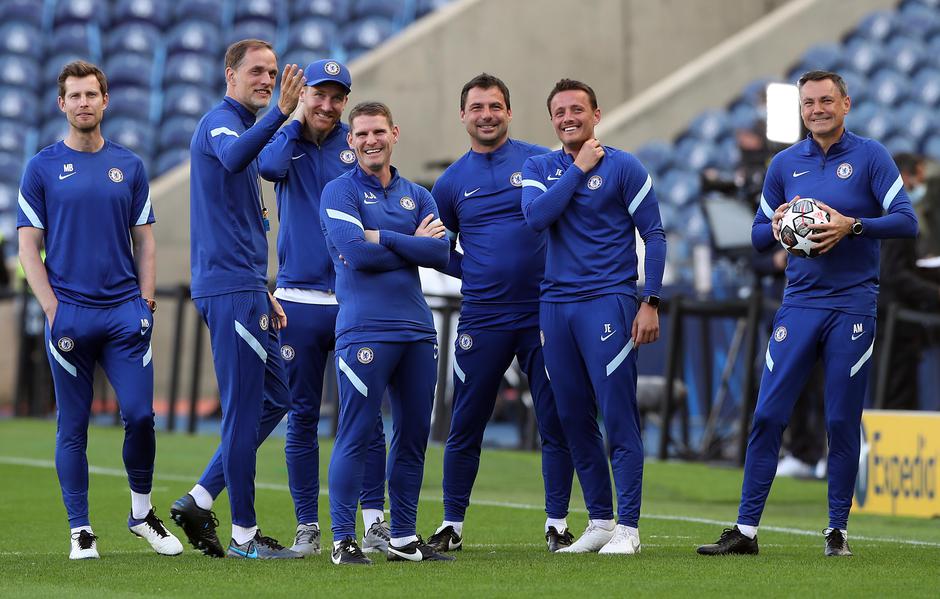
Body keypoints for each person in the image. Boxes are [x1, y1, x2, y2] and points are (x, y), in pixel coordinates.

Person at [697, 70, 918, 557]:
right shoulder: (784, 164)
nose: (817, 109)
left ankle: (837, 532)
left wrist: (851, 226)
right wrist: (779, 222)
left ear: (845, 104)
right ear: (801, 110)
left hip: (852, 305)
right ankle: (745, 532)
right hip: (799, 304)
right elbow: (757, 236)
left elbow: (907, 221)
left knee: (841, 419)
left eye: (826, 101)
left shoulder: (871, 157)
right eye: (808, 103)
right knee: (767, 414)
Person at [17, 60, 182, 559]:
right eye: (75, 95)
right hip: (70, 315)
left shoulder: (129, 166)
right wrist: (52, 309)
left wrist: (146, 302)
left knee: (141, 416)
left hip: (123, 314)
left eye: (91, 94)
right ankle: (80, 530)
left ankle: (141, 514)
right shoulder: (41, 167)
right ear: (61, 104)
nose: (84, 102)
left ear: (105, 101)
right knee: (73, 426)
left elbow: (145, 241)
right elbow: (28, 247)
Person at [425, 73, 575, 553]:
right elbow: (436, 247)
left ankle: (557, 523)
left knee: (556, 419)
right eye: (477, 107)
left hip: (543, 313)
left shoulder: (541, 162)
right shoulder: (450, 182)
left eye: (495, 106)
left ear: (509, 112)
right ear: (463, 115)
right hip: (483, 317)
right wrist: (472, 271)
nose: (486, 115)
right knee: (466, 422)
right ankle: (452, 524)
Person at [168, 39, 305, 560]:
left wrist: (261, 288)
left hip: (245, 288)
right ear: (230, 74)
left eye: (273, 71)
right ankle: (245, 536)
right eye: (257, 71)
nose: (267, 79)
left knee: (277, 398)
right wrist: (282, 114)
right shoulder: (220, 124)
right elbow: (232, 156)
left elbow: (239, 221)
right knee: (243, 413)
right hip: (229, 289)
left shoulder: (245, 128)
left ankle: (201, 498)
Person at [521, 79, 667, 555]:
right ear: (551, 119)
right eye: (560, 112)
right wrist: (579, 168)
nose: (569, 118)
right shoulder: (539, 167)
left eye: (577, 109)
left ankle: (629, 528)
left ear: (596, 115)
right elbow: (536, 217)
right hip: (555, 307)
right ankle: (601, 521)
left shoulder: (625, 166)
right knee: (572, 417)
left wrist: (650, 300)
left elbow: (655, 235)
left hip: (608, 301)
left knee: (618, 413)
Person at [256, 59, 390, 556]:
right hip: (298, 301)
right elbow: (267, 168)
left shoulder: (353, 145)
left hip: (354, 298)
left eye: (337, 97)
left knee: (367, 415)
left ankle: (374, 522)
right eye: (320, 95)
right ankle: (307, 526)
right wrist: (291, 116)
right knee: (302, 417)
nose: (328, 106)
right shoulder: (286, 140)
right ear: (304, 95)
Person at [320, 101, 451, 565]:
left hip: (417, 331)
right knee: (356, 433)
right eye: (361, 134)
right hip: (364, 330)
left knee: (413, 435)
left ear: (394, 133)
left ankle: (403, 537)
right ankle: (342, 540)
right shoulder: (339, 191)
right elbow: (357, 254)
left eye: (378, 131)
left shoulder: (418, 194)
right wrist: (413, 243)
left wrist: (385, 237)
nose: (370, 141)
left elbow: (441, 255)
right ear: (350, 141)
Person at [875, 153, 940, 410]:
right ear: (904, 176)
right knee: (895, 394)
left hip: (894, 319)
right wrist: (934, 293)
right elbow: (893, 273)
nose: (922, 184)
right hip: (892, 320)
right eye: (919, 176)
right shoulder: (896, 216)